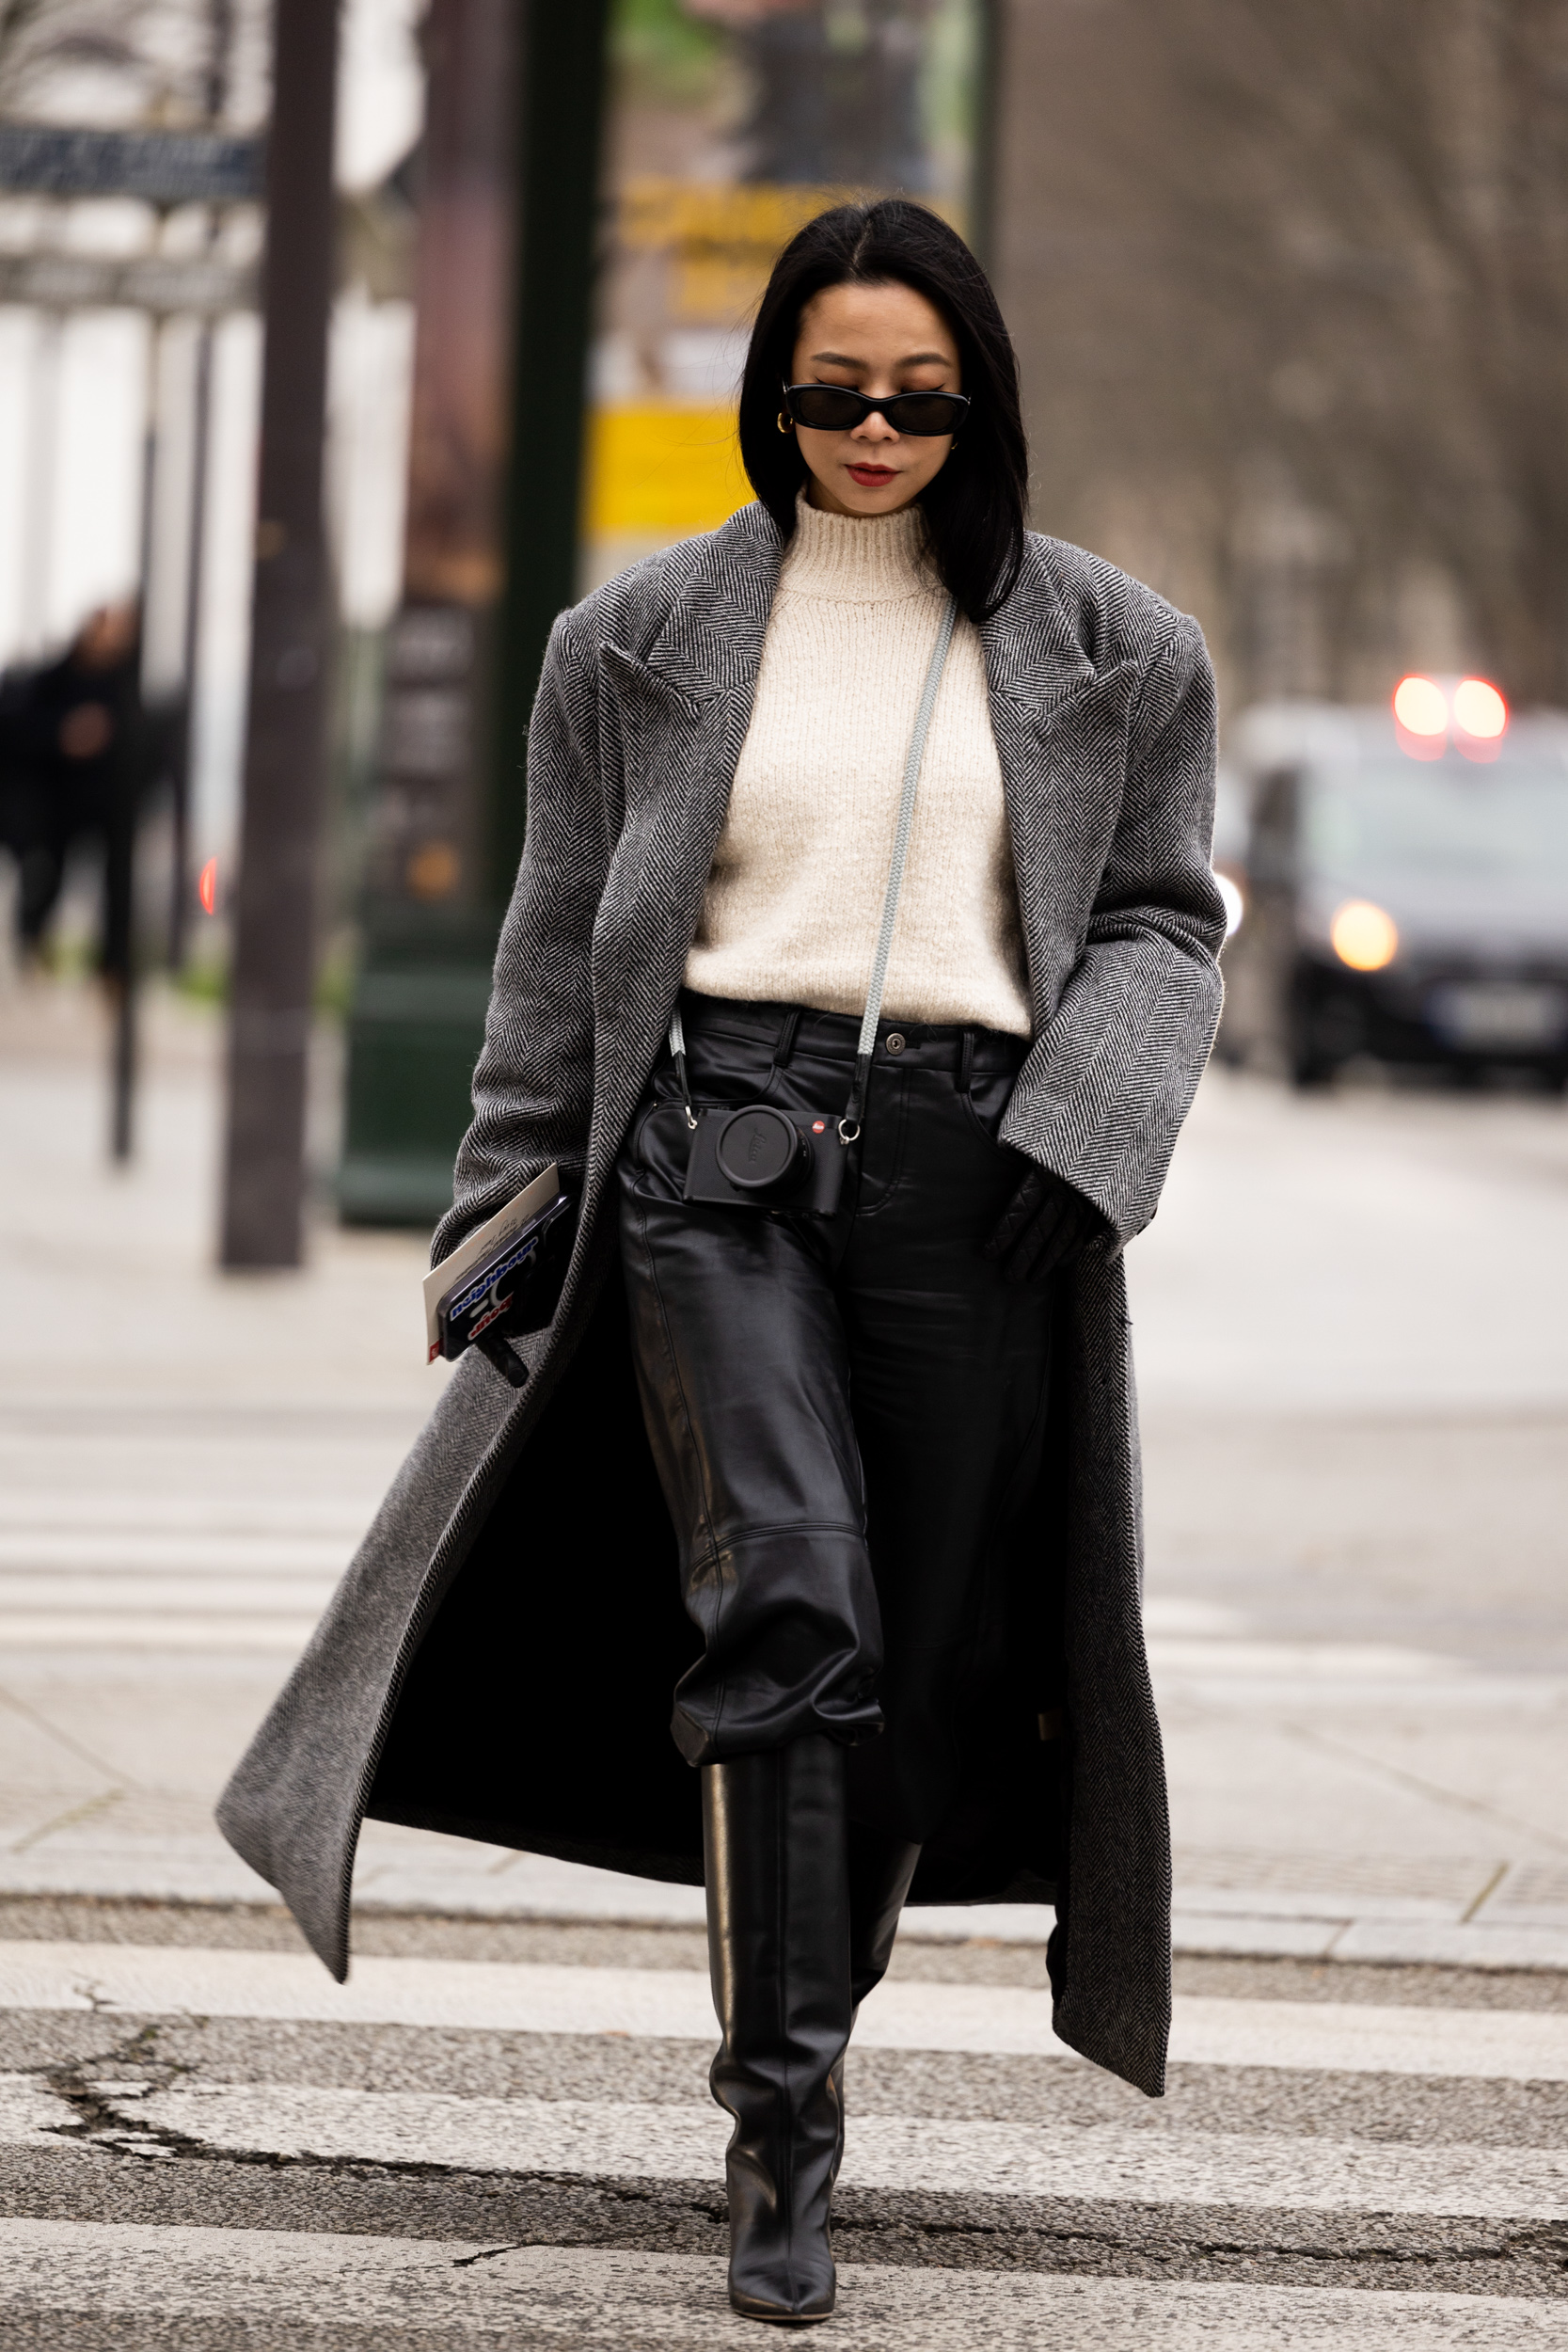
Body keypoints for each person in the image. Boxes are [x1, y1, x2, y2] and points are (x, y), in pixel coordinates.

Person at [219, 201, 1225, 2326]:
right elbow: (555, 943)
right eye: (831, 391)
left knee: (924, 1671)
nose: (874, 428)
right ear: (773, 392)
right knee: (788, 1601)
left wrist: (1094, 1121)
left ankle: (811, 2014)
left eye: (918, 395)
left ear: (980, 398)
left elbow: (1159, 915)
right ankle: (783, 2133)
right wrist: (504, 1210)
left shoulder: (1116, 646)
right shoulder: (638, 639)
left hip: (984, 1176)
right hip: (713, 1165)